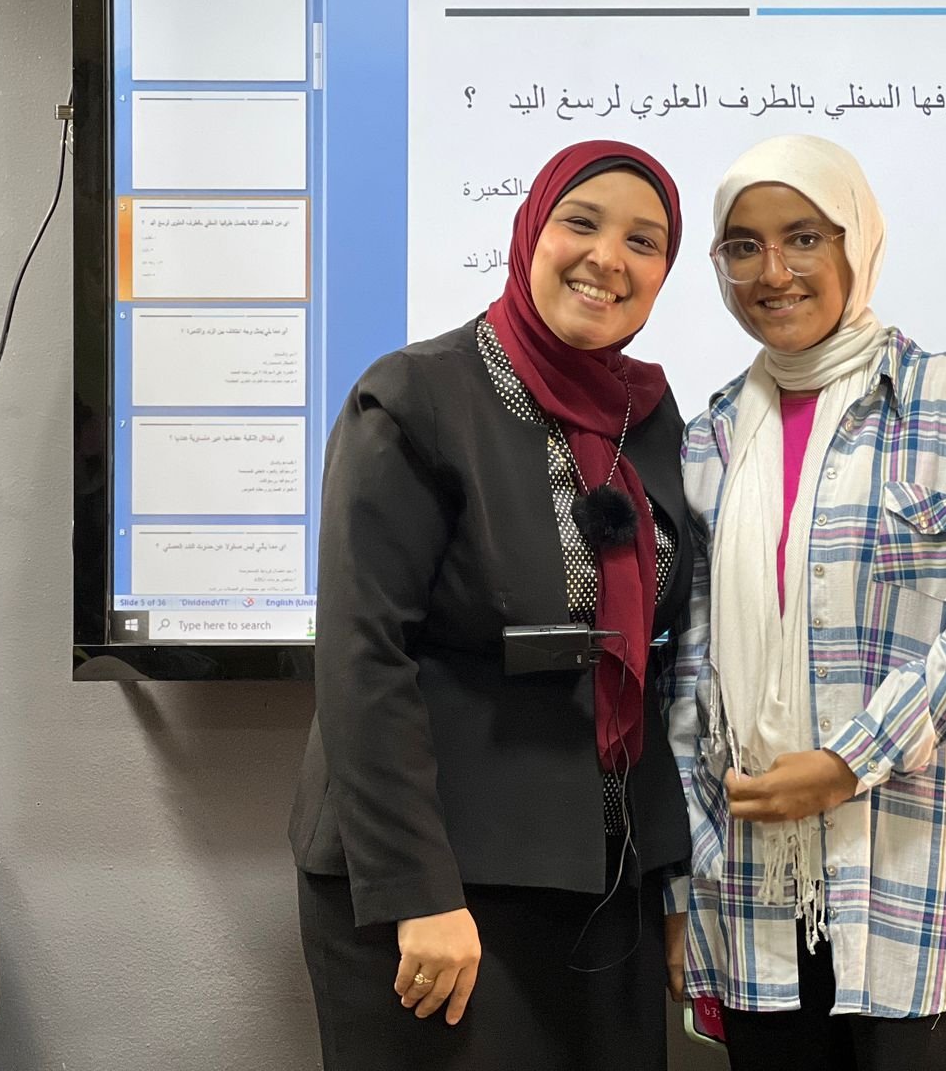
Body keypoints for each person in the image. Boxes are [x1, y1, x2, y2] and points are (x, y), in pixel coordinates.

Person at [290, 141, 694, 1071]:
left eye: (645, 241)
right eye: (581, 223)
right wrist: (417, 892)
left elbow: (660, 659)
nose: (609, 259)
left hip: (602, 880)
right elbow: (363, 656)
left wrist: (669, 883)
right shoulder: (415, 398)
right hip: (446, 890)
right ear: (531, 233)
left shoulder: (650, 416)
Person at [664, 134, 946, 1071]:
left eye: (803, 237)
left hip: (915, 890)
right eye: (742, 247)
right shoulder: (712, 434)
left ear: (856, 243)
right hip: (750, 894)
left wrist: (846, 762)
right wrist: (682, 894)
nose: (775, 271)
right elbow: (691, 679)